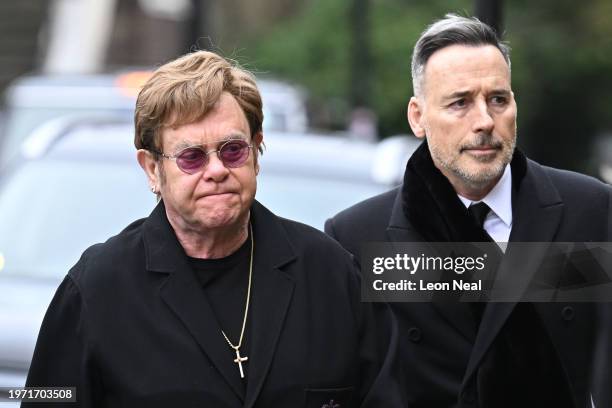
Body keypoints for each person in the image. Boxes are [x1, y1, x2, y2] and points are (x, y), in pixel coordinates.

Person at [23, 50, 401, 407]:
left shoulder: (331, 274)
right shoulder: (95, 288)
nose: (217, 170)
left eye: (233, 150)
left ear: (256, 151)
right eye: (191, 157)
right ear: (152, 169)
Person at [325, 14, 612, 408]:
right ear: (418, 117)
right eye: (460, 103)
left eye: (498, 99)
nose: (484, 121)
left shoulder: (590, 211)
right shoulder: (357, 237)